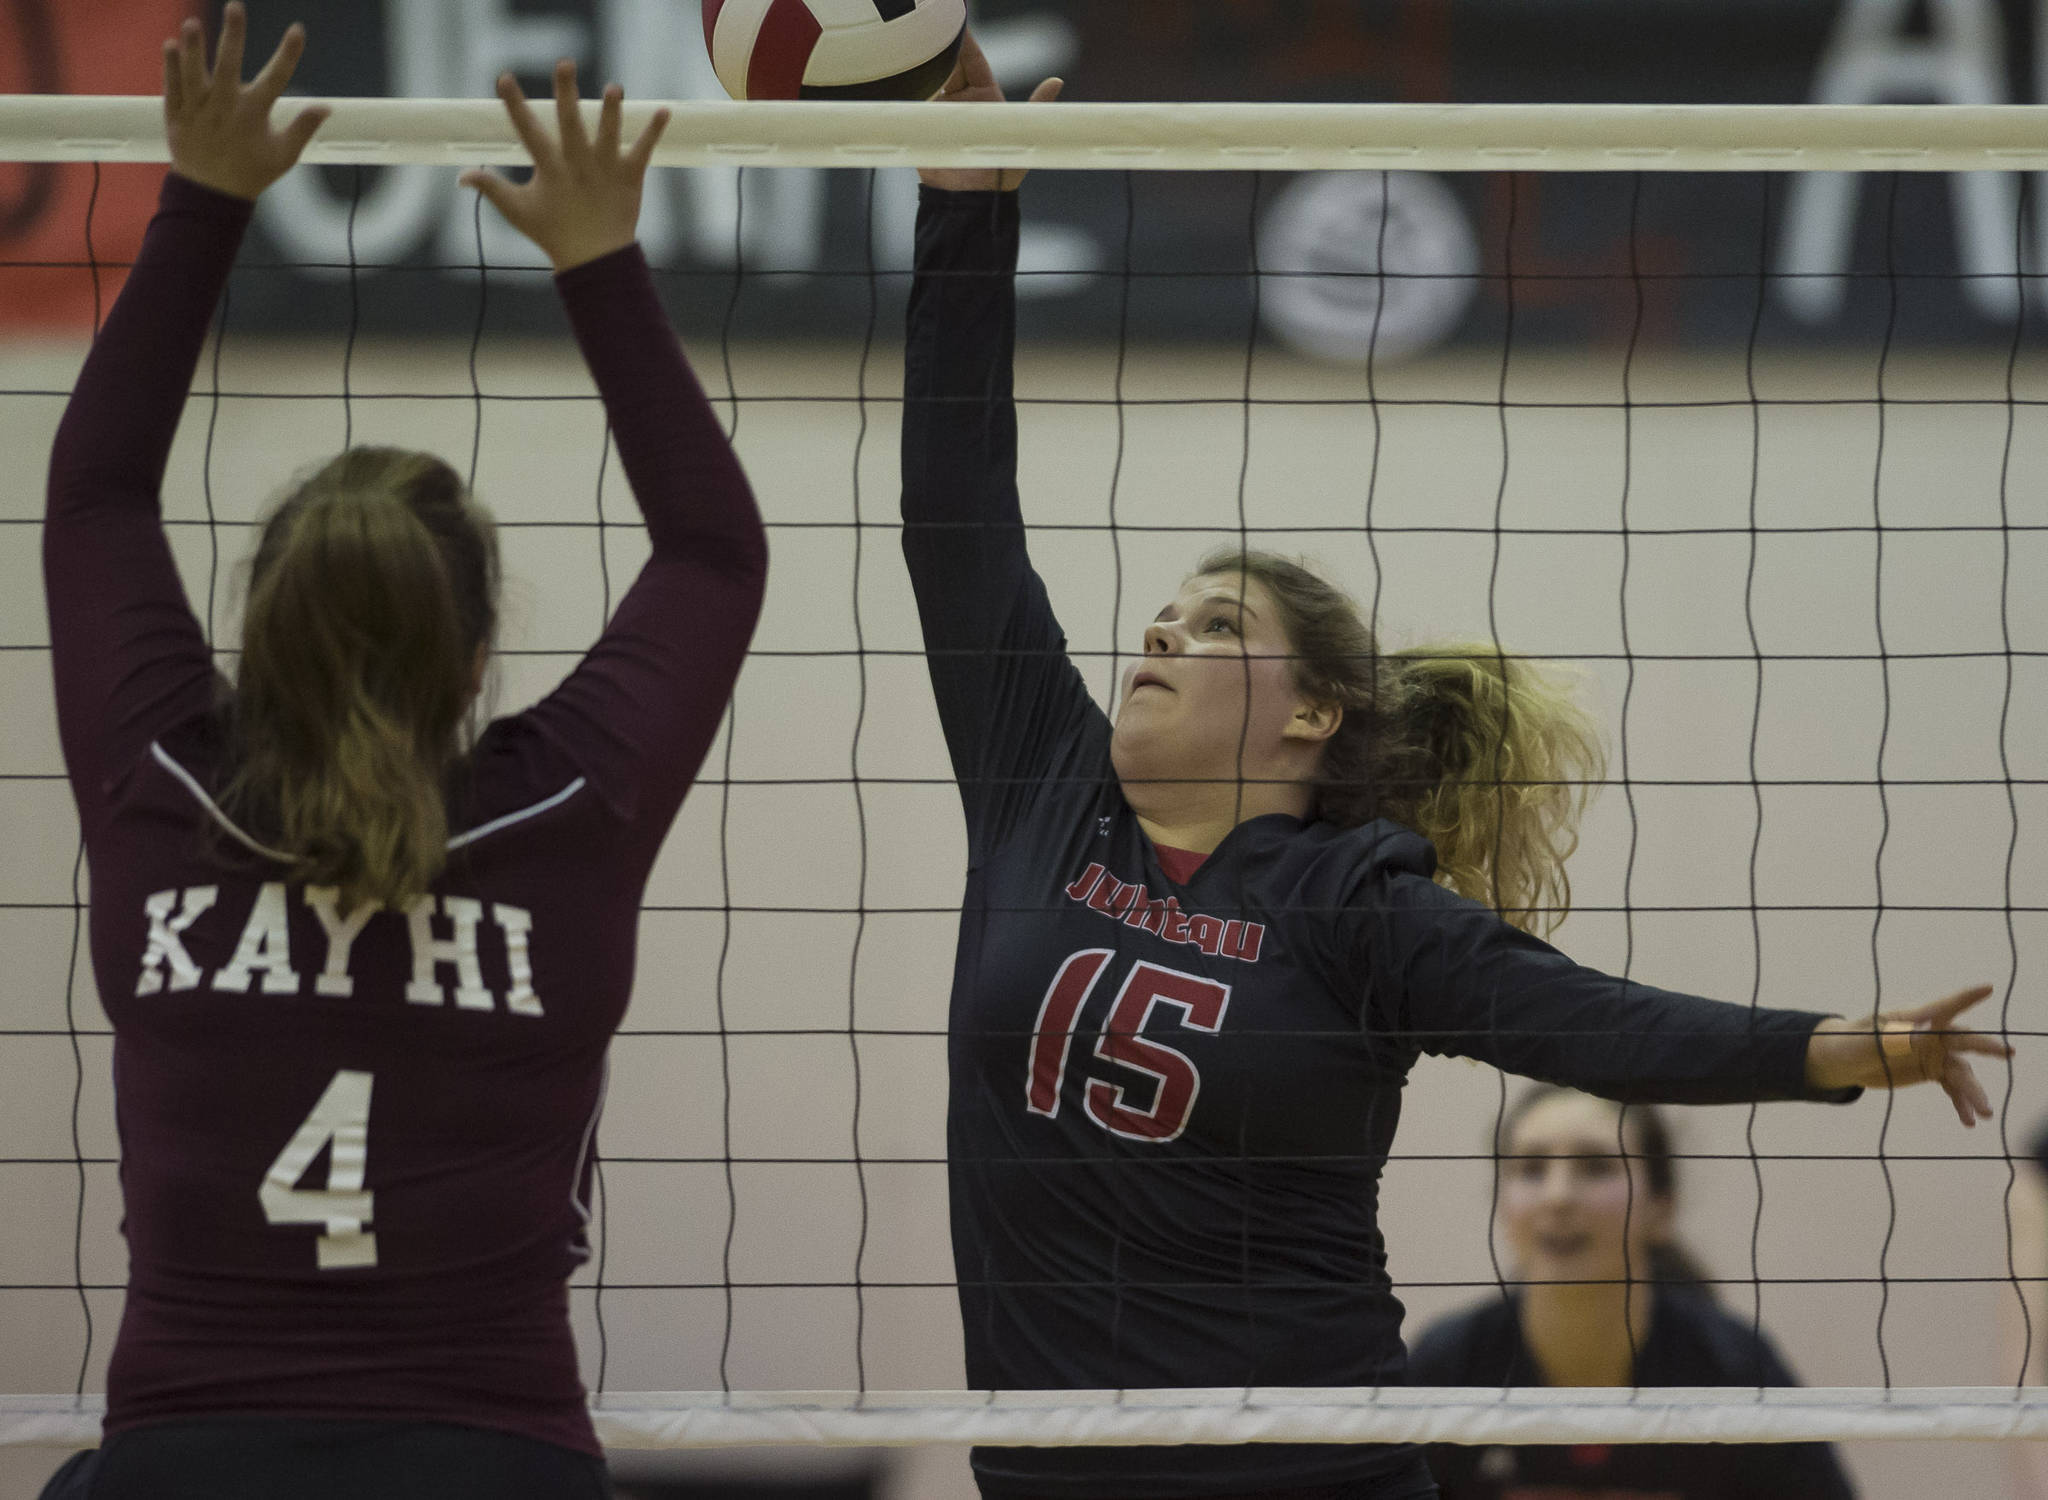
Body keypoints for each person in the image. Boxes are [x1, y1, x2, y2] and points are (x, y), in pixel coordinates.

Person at [900, 32, 2008, 1500]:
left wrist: (1832, 1051)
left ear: (1310, 714)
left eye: (1217, 622)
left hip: (1316, 1478)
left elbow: (1596, 1029)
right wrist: (967, 203)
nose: (1159, 627)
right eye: (1163, 610)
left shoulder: (1357, 904)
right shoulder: (1045, 786)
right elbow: (956, 511)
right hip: (1054, 1477)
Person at [38, 9, 764, 1498]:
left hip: (188, 1461)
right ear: (480, 650)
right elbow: (714, 550)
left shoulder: (166, 790)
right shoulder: (567, 806)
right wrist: (600, 258)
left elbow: (96, 498)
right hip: (490, 1457)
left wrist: (203, 200)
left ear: (261, 627)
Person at [1408, 1084, 1857, 1499]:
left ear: (1661, 1208)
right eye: (1531, 1169)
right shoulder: (1451, 1364)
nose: (1558, 1196)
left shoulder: (1733, 1366)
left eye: (1597, 1167)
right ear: (1503, 1211)